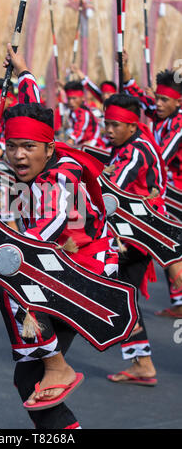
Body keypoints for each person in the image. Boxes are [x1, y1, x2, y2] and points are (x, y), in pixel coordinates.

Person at [0, 44, 119, 429]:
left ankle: (57, 366)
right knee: (25, 378)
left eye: (28, 147)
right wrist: (24, 69)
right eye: (11, 146)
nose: (18, 156)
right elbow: (32, 107)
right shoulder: (45, 152)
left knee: (9, 284)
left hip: (87, 269)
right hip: (64, 261)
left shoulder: (59, 177)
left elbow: (37, 237)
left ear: (49, 147)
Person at [102, 93, 168, 385]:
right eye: (107, 124)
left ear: (131, 125)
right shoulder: (128, 143)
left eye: (115, 125)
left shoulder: (136, 151)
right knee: (122, 295)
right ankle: (142, 363)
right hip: (132, 231)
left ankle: (143, 363)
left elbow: (112, 188)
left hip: (136, 234)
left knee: (122, 296)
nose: (109, 130)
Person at [122, 50, 182, 318]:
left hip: (176, 194)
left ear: (178, 102)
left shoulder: (179, 124)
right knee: (168, 243)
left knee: (166, 241)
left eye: (164, 100)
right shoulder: (161, 114)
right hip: (165, 189)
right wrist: (123, 66)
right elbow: (133, 92)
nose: (157, 103)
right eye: (157, 97)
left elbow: (159, 157)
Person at [63, 80, 104, 148]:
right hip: (82, 143)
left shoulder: (83, 112)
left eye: (74, 98)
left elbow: (80, 128)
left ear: (82, 98)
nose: (71, 102)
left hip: (93, 145)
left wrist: (71, 140)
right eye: (69, 99)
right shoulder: (74, 111)